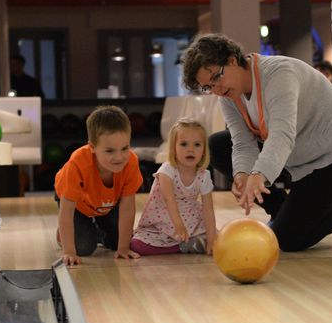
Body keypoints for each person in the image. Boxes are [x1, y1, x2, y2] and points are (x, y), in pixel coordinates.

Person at [181, 33, 332, 252]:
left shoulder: (279, 75)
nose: (216, 89)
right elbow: (242, 143)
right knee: (217, 146)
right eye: (208, 87)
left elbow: (282, 135)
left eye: (216, 78)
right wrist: (241, 174)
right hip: (297, 154)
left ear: (232, 60)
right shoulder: (228, 95)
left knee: (288, 240)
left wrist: (258, 175)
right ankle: (282, 212)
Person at [54, 105, 143, 266]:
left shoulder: (131, 162)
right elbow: (66, 212)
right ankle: (66, 233)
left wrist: (123, 248)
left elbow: (127, 207)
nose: (119, 157)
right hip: (77, 206)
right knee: (83, 248)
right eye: (109, 151)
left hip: (107, 204)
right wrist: (69, 252)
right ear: (92, 147)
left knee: (121, 241)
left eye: (125, 148)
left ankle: (99, 230)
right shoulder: (77, 164)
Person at [131, 118, 217, 255]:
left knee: (217, 238)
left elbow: (208, 210)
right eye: (184, 144)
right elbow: (169, 200)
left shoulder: (204, 175)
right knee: (136, 245)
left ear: (204, 150)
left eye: (197, 145)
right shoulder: (167, 171)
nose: (190, 150)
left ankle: (189, 243)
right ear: (173, 148)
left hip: (191, 219)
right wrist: (179, 225)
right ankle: (183, 246)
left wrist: (212, 240)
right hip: (163, 219)